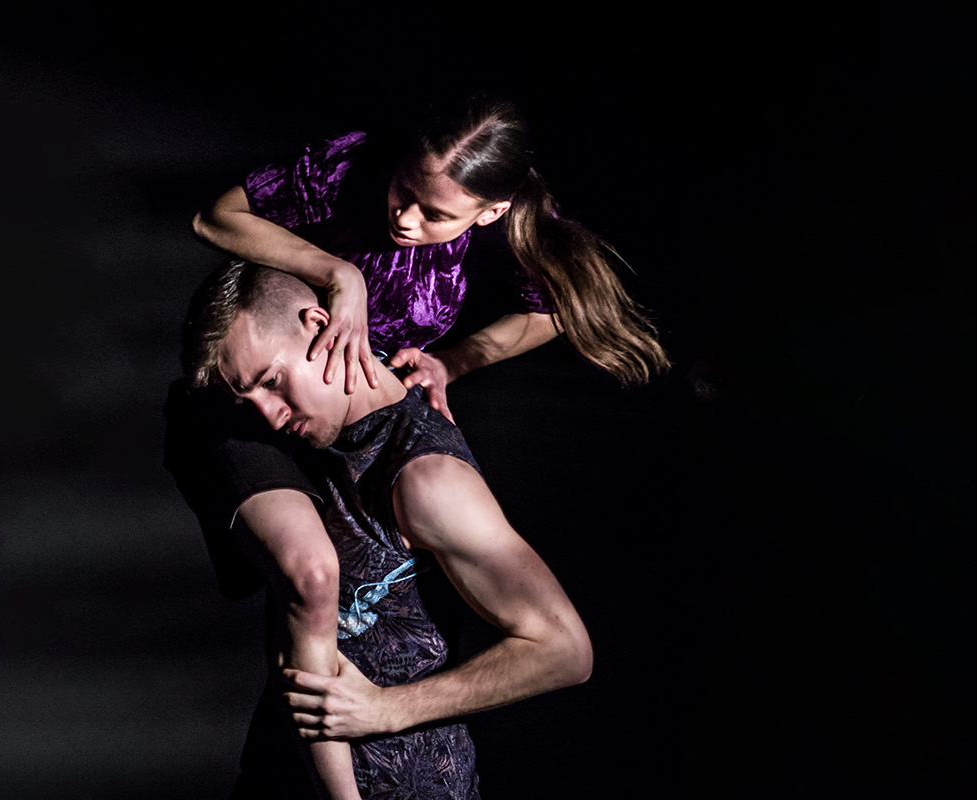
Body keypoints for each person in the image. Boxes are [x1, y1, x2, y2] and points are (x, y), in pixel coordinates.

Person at [165, 92, 661, 797]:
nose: (404, 217)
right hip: (301, 403)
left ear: (488, 214)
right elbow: (212, 216)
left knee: (318, 584)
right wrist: (340, 274)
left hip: (363, 427)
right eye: (403, 192)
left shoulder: (424, 472)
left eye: (434, 214)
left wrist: (453, 361)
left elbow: (554, 307)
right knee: (309, 576)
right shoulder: (347, 168)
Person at [183, 260, 593, 798]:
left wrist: (385, 708)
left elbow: (563, 648)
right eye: (248, 398)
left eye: (273, 382)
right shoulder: (304, 439)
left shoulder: (426, 479)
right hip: (281, 776)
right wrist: (343, 276)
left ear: (317, 326)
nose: (268, 414)